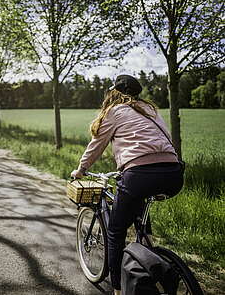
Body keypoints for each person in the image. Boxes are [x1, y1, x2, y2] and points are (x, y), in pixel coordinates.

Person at [70, 74, 184, 295]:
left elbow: (96, 146)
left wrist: (81, 170)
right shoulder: (150, 110)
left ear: (115, 92)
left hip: (140, 175)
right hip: (174, 174)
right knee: (138, 201)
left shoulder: (114, 111)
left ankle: (117, 289)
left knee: (115, 231)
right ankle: (148, 246)